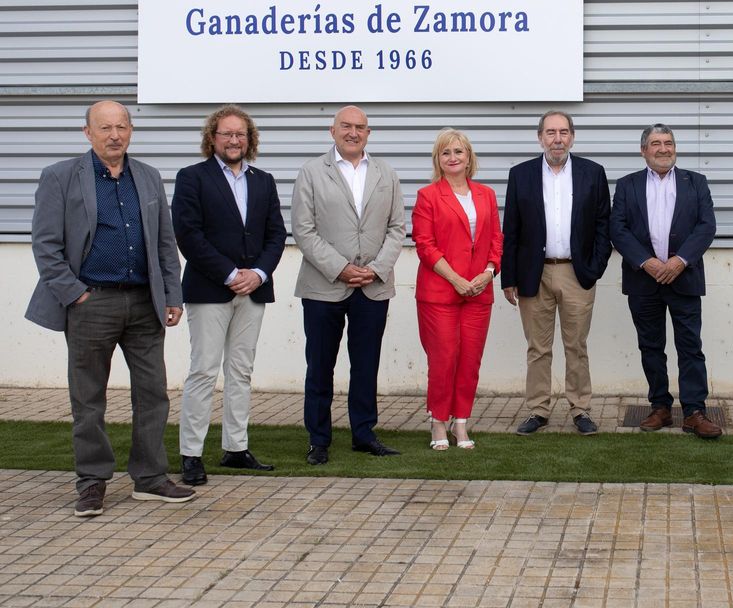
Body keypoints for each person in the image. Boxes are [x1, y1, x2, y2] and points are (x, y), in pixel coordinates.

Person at [26, 100, 195, 517]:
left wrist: (173, 295)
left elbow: (163, 243)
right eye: (105, 128)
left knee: (153, 393)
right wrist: (75, 294)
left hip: (144, 302)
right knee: (88, 397)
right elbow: (46, 246)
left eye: (121, 126)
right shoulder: (60, 177)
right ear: (88, 133)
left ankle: (151, 478)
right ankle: (92, 481)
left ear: (131, 130)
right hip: (91, 302)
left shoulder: (149, 177)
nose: (114, 135)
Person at [173, 105, 287, 486]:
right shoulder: (192, 178)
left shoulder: (263, 181)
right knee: (204, 370)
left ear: (249, 139)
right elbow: (189, 235)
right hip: (209, 289)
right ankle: (191, 454)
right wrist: (227, 273)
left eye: (241, 134)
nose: (234, 140)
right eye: (227, 133)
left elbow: (275, 235)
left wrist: (257, 273)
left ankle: (236, 448)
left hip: (254, 290)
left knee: (240, 371)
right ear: (212, 138)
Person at [292, 105, 406, 464]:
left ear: (368, 133)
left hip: (372, 287)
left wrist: (376, 269)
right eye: (346, 126)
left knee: (366, 363)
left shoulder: (386, 173)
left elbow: (397, 228)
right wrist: (340, 268)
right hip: (324, 287)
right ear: (333, 130)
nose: (353, 132)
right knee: (320, 365)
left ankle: (363, 433)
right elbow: (304, 230)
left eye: (360, 127)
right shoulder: (312, 172)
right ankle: (319, 439)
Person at [609, 123, 722, 439]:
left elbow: (706, 226)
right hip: (643, 281)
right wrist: (646, 262)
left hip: (684, 278)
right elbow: (618, 229)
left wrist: (679, 261)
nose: (663, 148)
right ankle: (660, 407)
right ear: (644, 150)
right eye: (656, 143)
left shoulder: (695, 183)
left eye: (668, 142)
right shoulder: (628, 185)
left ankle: (694, 412)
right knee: (651, 346)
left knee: (690, 347)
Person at [502, 111, 611, 436]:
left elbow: (603, 223)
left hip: (577, 274)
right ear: (540, 138)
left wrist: (595, 267)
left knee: (576, 345)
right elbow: (511, 229)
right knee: (538, 347)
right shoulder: (520, 175)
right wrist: (509, 277)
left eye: (563, 132)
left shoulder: (593, 173)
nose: (557, 138)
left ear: (572, 137)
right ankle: (538, 409)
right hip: (534, 274)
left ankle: (580, 409)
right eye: (551, 132)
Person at [411, 129, 503, 450]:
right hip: (440, 293)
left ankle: (461, 422)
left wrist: (489, 273)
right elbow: (425, 245)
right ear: (438, 159)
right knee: (444, 359)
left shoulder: (486, 195)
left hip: (479, 292)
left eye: (458, 152)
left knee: (469, 360)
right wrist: (456, 279)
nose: (453, 158)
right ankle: (438, 421)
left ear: (469, 158)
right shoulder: (428, 196)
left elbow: (495, 241)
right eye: (446, 153)